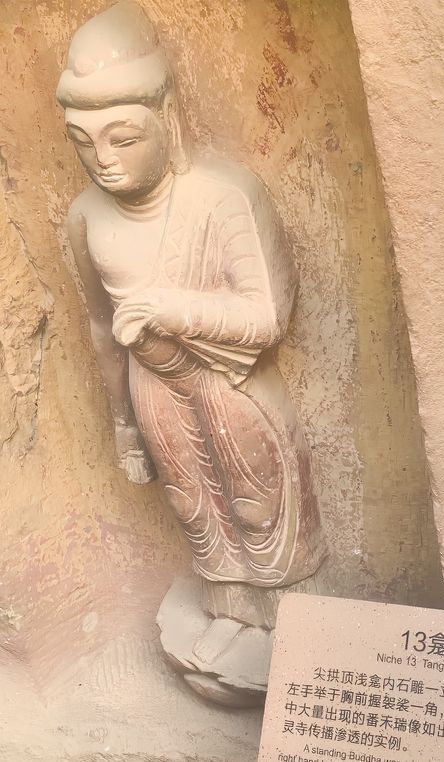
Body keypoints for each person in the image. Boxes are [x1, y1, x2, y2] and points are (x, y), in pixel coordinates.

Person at [57, 1, 326, 705]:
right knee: (194, 506)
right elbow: (99, 325)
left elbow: (267, 315)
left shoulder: (222, 196)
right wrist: (123, 425)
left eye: (123, 137)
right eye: (83, 142)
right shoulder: (86, 217)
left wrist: (170, 308)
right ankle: (231, 614)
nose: (104, 160)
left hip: (229, 381)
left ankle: (284, 623)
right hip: (152, 383)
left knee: (259, 504)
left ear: (166, 119)